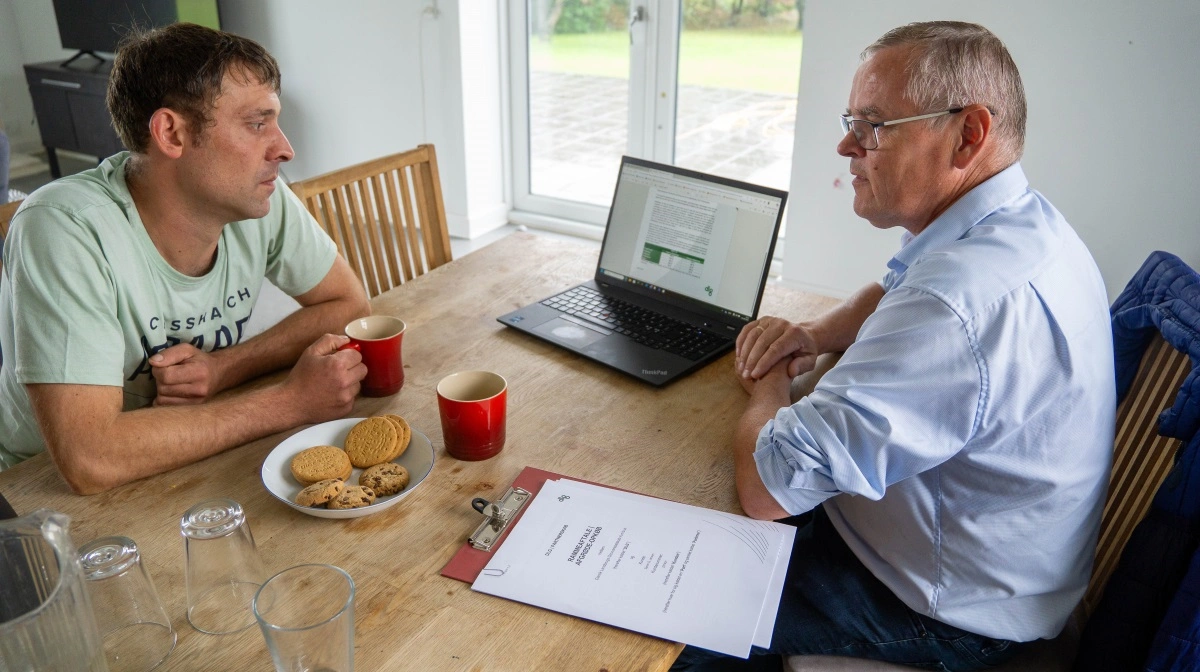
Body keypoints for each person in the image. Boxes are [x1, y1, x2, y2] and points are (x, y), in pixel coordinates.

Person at [673, 21, 1116, 671]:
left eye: (873, 125)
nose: (846, 143)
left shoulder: (959, 305)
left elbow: (766, 487)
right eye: (852, 119)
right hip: (983, 564)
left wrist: (770, 382)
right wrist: (811, 335)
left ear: (969, 135)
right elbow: (896, 285)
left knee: (665, 617)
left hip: (940, 612)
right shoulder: (1016, 223)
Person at [0, 23, 372, 494]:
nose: (284, 148)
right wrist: (289, 403)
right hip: (39, 495)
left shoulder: (259, 199)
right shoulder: (63, 226)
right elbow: (90, 458)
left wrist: (225, 368)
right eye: (257, 124)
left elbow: (349, 304)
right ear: (171, 134)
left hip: (187, 463)